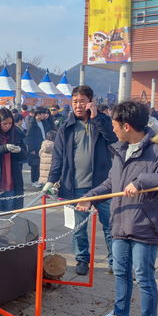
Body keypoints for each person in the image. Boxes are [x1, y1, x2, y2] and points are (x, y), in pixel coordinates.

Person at [79, 100, 158, 316]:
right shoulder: (121, 149)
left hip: (145, 226)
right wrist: (90, 196)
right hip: (120, 222)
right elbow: (112, 182)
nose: (113, 130)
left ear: (126, 126)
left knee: (144, 279)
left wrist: (142, 181)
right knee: (120, 272)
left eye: (115, 125)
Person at [43, 85, 117, 275]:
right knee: (78, 228)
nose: (78, 105)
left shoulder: (102, 121)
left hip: (102, 185)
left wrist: (96, 117)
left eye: (82, 101)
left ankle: (114, 261)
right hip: (75, 186)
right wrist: (52, 180)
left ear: (91, 102)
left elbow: (112, 139)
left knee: (110, 226)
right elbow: (58, 156)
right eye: (75, 101)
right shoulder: (66, 127)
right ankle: (82, 259)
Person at [25, 107, 51, 187]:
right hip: (35, 147)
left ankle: (40, 180)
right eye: (43, 114)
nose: (44, 115)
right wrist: (31, 149)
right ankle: (34, 180)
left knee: (42, 164)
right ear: (38, 114)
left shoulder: (44, 122)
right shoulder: (32, 123)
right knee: (35, 165)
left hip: (44, 145)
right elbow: (29, 137)